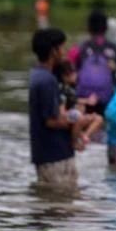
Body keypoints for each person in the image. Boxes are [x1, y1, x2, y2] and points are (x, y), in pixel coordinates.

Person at [29, 28, 89, 187]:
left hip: (52, 153)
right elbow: (51, 121)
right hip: (54, 155)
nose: (65, 51)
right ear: (53, 51)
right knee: (60, 203)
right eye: (62, 47)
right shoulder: (47, 80)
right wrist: (76, 118)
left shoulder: (40, 75)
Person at [75, 9, 116, 115]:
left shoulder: (80, 49)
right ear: (106, 28)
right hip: (108, 101)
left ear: (88, 27)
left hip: (84, 101)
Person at [54, 60, 104, 151]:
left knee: (99, 119)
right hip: (68, 116)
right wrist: (74, 111)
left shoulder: (71, 88)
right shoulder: (61, 89)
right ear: (65, 76)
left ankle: (84, 136)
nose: (76, 75)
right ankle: (74, 142)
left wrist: (87, 101)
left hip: (74, 113)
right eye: (73, 73)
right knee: (79, 116)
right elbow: (62, 108)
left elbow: (74, 100)